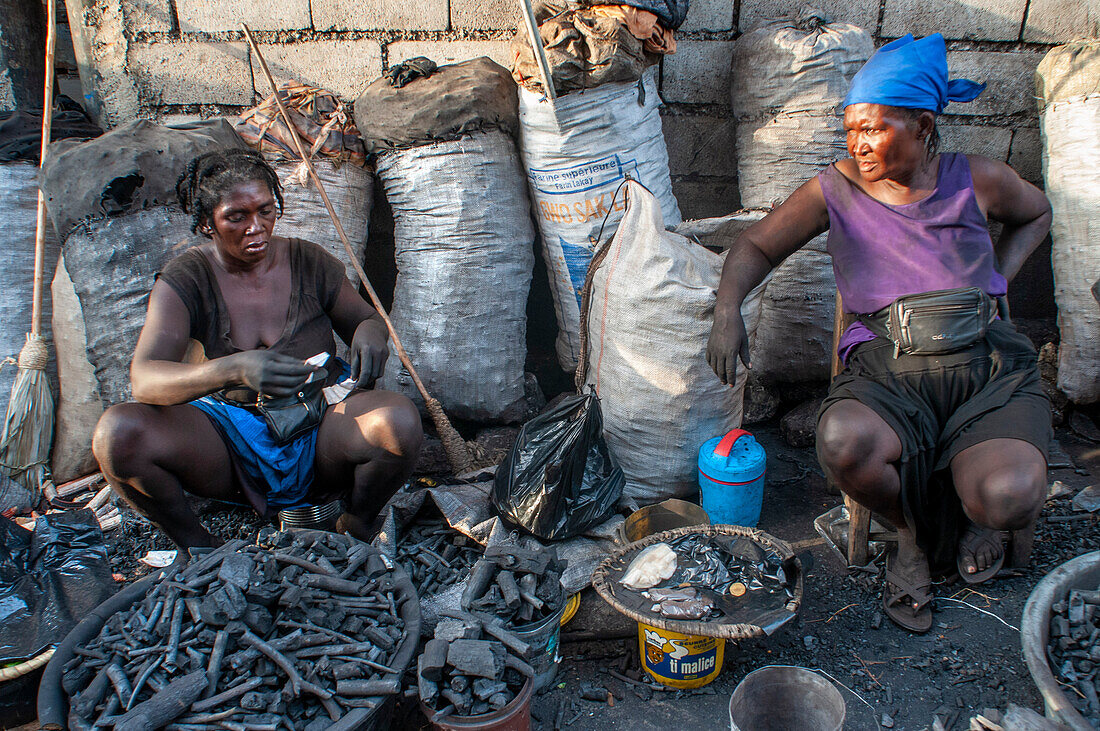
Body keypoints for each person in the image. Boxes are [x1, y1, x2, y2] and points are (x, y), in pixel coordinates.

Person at [706, 34, 1052, 632]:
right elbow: (757, 243)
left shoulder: (979, 180)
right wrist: (727, 308)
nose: (858, 144)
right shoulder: (836, 189)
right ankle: (915, 534)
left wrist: (997, 277)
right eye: (851, 130)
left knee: (1009, 495)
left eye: (874, 128)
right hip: (889, 373)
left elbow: (1037, 212)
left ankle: (968, 518)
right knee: (841, 442)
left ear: (922, 125)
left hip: (986, 373)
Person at [92, 148, 423, 549]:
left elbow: (366, 319)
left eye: (266, 211)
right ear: (206, 223)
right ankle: (199, 547)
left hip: (319, 421)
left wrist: (371, 333)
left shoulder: (307, 260)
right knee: (118, 433)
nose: (257, 228)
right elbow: (144, 379)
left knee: (398, 423)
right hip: (228, 435)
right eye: (237, 216)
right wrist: (234, 369)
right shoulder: (188, 277)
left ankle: (355, 523)